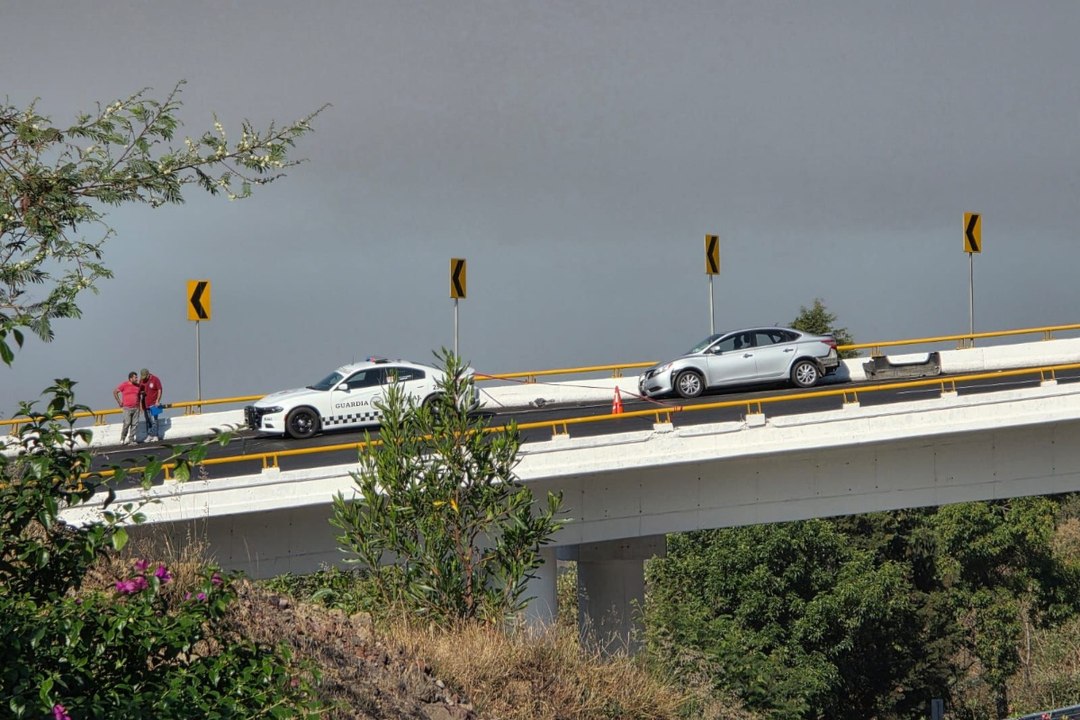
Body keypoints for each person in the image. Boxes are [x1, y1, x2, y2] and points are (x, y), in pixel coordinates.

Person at [113, 371, 142, 445]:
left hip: (136, 407)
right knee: (127, 423)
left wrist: (141, 407)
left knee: (134, 424)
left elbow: (139, 397)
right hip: (127, 408)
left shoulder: (138, 386)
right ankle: (122, 438)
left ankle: (131, 439)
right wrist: (119, 402)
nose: (136, 379)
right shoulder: (124, 385)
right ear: (130, 378)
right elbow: (115, 392)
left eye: (136, 377)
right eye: (135, 377)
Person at [139, 368, 164, 441]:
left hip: (155, 404)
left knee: (155, 420)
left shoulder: (155, 379)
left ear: (148, 374)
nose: (144, 379)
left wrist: (157, 400)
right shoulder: (141, 380)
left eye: (145, 377)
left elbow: (160, 389)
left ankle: (155, 435)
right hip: (145, 404)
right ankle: (149, 435)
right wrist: (141, 393)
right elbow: (139, 391)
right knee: (148, 420)